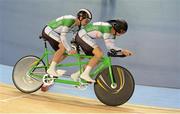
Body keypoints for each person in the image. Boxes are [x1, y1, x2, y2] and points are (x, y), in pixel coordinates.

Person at [42, 9, 92, 78]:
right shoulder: (70, 20)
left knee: (65, 53)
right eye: (86, 21)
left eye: (89, 22)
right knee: (63, 48)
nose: (87, 23)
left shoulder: (78, 26)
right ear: (81, 18)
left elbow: (74, 41)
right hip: (49, 31)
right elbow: (63, 37)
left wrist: (78, 52)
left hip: (56, 34)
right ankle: (51, 69)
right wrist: (69, 49)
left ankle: (49, 66)